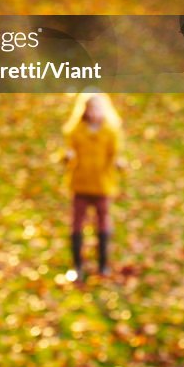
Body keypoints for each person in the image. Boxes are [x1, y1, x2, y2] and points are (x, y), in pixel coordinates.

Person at [62, 92, 123, 281]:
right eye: (92, 108)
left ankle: (103, 264)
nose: (95, 112)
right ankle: (77, 265)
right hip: (80, 184)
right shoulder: (75, 131)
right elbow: (66, 153)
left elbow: (116, 155)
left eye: (99, 108)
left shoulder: (110, 132)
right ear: (85, 111)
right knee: (77, 224)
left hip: (102, 186)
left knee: (103, 223)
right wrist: (66, 157)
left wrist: (120, 164)